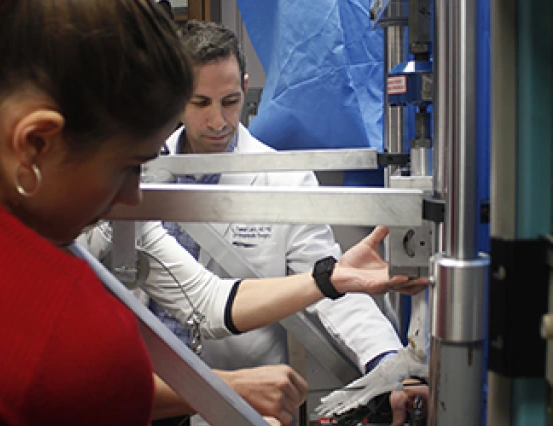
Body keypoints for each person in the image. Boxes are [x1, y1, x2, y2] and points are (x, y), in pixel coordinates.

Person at [142, 19, 409, 426]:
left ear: (246, 86)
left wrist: (388, 363)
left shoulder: (284, 178)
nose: (218, 121)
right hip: (145, 392)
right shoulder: (138, 170)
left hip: (238, 402)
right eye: (201, 103)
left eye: (230, 101)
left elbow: (333, 287)